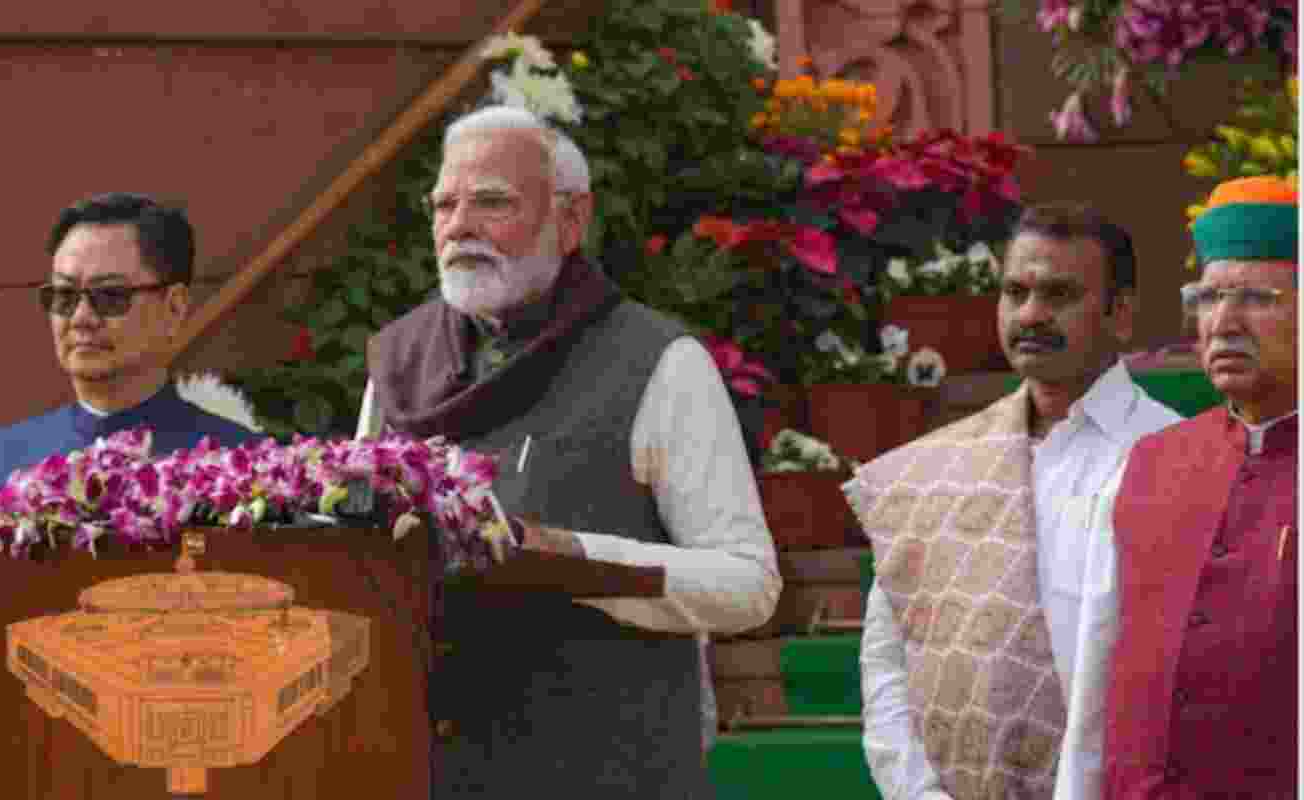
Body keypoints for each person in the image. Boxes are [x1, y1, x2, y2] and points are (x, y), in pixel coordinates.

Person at [356, 105, 780, 797]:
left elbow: (748, 584)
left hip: (606, 770)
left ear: (572, 218)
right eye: (444, 205)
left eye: (491, 202)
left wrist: (574, 557)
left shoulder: (656, 361)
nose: (458, 226)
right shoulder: (398, 361)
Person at [843, 205, 1182, 800]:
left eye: (1059, 295)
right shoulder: (938, 469)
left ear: (1121, 315)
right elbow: (890, 660)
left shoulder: (1177, 457)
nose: (1030, 314)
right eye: (1015, 292)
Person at [0, 192, 258, 774]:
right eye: (62, 296)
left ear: (174, 307)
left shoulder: (239, 465)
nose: (80, 317)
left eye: (110, 296)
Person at [1099, 176, 1297, 798]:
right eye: (1208, 298)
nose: (1224, 322)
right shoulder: (1149, 463)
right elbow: (1099, 675)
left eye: (1256, 298)